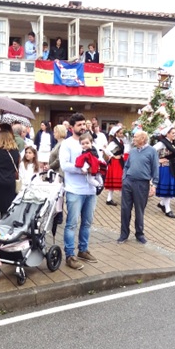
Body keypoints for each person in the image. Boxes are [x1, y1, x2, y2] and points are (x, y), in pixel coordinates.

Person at [59, 113, 98, 270]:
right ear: (72, 127)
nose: (83, 127)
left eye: (84, 124)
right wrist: (81, 169)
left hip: (90, 190)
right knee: (71, 224)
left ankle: (83, 250)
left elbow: (97, 159)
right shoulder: (67, 144)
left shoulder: (91, 141)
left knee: (87, 223)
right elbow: (64, 165)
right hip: (74, 190)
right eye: (79, 125)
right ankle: (70, 255)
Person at [118, 130, 158, 244]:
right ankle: (124, 234)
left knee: (139, 210)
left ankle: (139, 234)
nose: (133, 139)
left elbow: (155, 169)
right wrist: (124, 178)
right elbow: (126, 166)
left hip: (142, 184)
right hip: (128, 182)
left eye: (135, 137)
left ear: (143, 139)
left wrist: (154, 185)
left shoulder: (152, 151)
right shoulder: (133, 151)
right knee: (125, 209)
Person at [0, 124, 20, 226]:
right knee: (7, 210)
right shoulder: (15, 151)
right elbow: (17, 166)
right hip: (9, 183)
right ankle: (4, 234)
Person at [153, 126, 175, 218]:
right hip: (166, 168)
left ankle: (162, 204)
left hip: (174, 167)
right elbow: (151, 151)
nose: (174, 134)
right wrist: (158, 160)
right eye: (172, 133)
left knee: (170, 188)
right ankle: (168, 209)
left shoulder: (173, 143)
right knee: (167, 188)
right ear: (167, 134)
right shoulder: (162, 143)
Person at [104, 125, 126, 206]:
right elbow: (106, 150)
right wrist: (113, 156)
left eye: (122, 133)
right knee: (118, 179)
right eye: (120, 133)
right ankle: (111, 199)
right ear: (116, 134)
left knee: (120, 179)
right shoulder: (113, 142)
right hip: (115, 162)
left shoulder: (120, 141)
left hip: (119, 161)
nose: (122, 134)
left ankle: (111, 199)